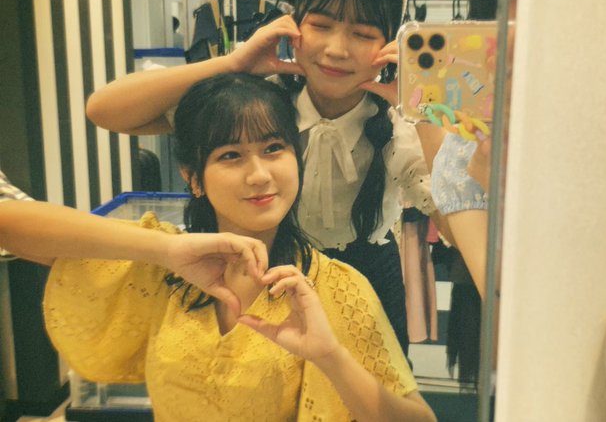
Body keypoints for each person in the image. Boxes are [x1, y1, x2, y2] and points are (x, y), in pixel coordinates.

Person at [0, 74, 436, 422]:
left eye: (274, 148)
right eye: (231, 155)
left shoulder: (337, 289)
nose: (260, 174)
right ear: (192, 177)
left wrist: (330, 357)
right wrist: (163, 250)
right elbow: (10, 224)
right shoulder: (162, 269)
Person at [85, 0, 432, 354]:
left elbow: (455, 210)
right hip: (263, 275)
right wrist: (232, 64)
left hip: (367, 285)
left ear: (393, 42)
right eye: (321, 25)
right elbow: (105, 110)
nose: (337, 49)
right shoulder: (257, 106)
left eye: (363, 34)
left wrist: (425, 104)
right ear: (294, 24)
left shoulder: (401, 125)